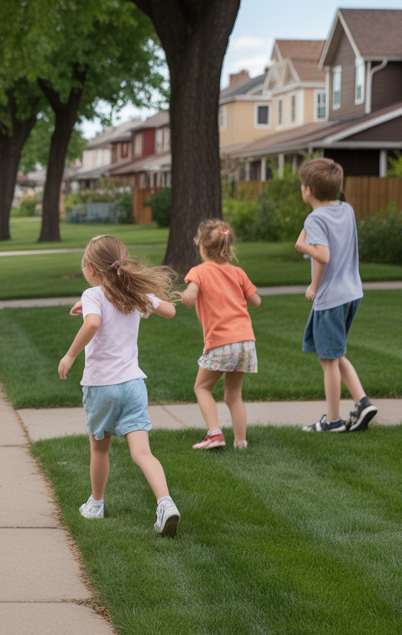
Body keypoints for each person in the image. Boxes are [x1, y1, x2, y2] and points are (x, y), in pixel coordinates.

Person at [58, 234, 182, 537]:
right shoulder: (131, 293)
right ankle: (165, 504)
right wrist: (144, 297)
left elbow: (93, 323)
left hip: (102, 386)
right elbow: (170, 310)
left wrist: (69, 355)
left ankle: (96, 505)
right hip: (134, 384)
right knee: (142, 452)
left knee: (100, 448)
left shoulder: (93, 295)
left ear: (90, 268)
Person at [293, 157, 378, 433]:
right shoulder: (346, 209)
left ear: (307, 190)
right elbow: (321, 225)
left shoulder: (315, 217)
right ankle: (363, 403)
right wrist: (306, 232)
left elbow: (323, 256)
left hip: (330, 297)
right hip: (352, 292)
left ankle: (332, 421)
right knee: (335, 353)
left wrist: (314, 285)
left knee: (328, 359)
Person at [179, 219, 261, 450]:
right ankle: (241, 442)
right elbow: (255, 300)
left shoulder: (199, 272)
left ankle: (214, 434)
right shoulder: (238, 272)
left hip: (221, 342)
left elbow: (189, 297)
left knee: (202, 388)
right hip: (245, 342)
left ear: (203, 247)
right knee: (233, 395)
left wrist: (184, 297)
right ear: (228, 247)